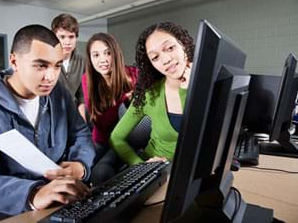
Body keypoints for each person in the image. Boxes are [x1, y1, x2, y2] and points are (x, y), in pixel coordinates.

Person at [0, 25, 95, 222]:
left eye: (57, 65)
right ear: (14, 61)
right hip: (7, 202)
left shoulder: (59, 94)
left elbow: (81, 134)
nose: (51, 77)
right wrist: (32, 194)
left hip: (54, 195)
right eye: (40, 65)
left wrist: (80, 165)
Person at [110, 22, 195, 166]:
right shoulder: (150, 95)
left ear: (184, 45)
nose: (166, 60)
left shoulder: (210, 82)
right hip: (160, 173)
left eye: (170, 48)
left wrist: (187, 89)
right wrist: (143, 166)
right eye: (155, 57)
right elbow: (116, 138)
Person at [82, 33, 138, 185]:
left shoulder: (134, 74)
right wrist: (125, 99)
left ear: (115, 53)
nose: (103, 60)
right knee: (82, 172)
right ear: (90, 58)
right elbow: (100, 121)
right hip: (102, 139)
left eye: (107, 53)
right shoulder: (87, 79)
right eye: (96, 55)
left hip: (128, 138)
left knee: (100, 173)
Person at [51, 13, 87, 121]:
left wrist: (82, 120)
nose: (67, 42)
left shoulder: (82, 61)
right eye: (62, 37)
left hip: (73, 113)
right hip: (52, 115)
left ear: (76, 38)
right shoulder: (47, 60)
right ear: (54, 38)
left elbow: (81, 96)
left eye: (71, 37)